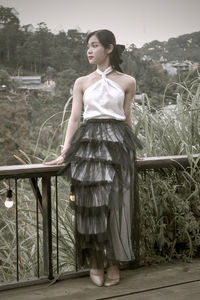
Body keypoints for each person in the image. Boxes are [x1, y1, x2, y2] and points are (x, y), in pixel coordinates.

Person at [45, 29, 142, 287]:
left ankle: (114, 263)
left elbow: (127, 117)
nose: (89, 50)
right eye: (88, 46)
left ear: (109, 49)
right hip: (88, 145)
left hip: (118, 143)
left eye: (95, 45)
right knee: (91, 206)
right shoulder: (82, 82)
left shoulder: (128, 81)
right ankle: (96, 263)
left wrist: (134, 151)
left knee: (117, 205)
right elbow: (75, 119)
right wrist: (64, 152)